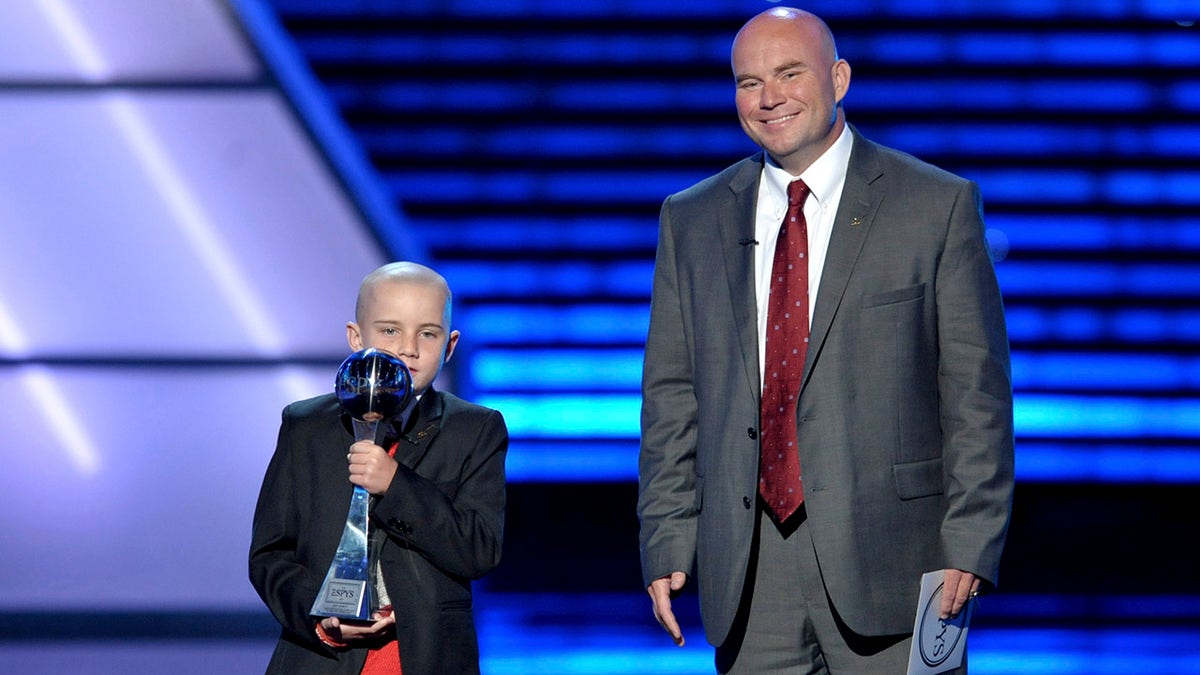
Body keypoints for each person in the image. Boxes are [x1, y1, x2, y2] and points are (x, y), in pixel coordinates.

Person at [637, 7, 1014, 673]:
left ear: (839, 78)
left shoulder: (936, 205)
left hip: (904, 560)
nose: (768, 97)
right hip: (750, 569)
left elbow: (975, 395)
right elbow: (672, 397)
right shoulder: (690, 218)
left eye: (789, 73)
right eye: (748, 81)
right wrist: (667, 535)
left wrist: (973, 537)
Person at [250, 261, 508, 674]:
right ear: (356, 337)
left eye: (428, 333)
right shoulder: (306, 426)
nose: (408, 348)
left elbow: (478, 549)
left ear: (451, 345)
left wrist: (396, 485)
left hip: (422, 656)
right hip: (322, 658)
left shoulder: (474, 429)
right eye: (390, 331)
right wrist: (322, 618)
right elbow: (270, 554)